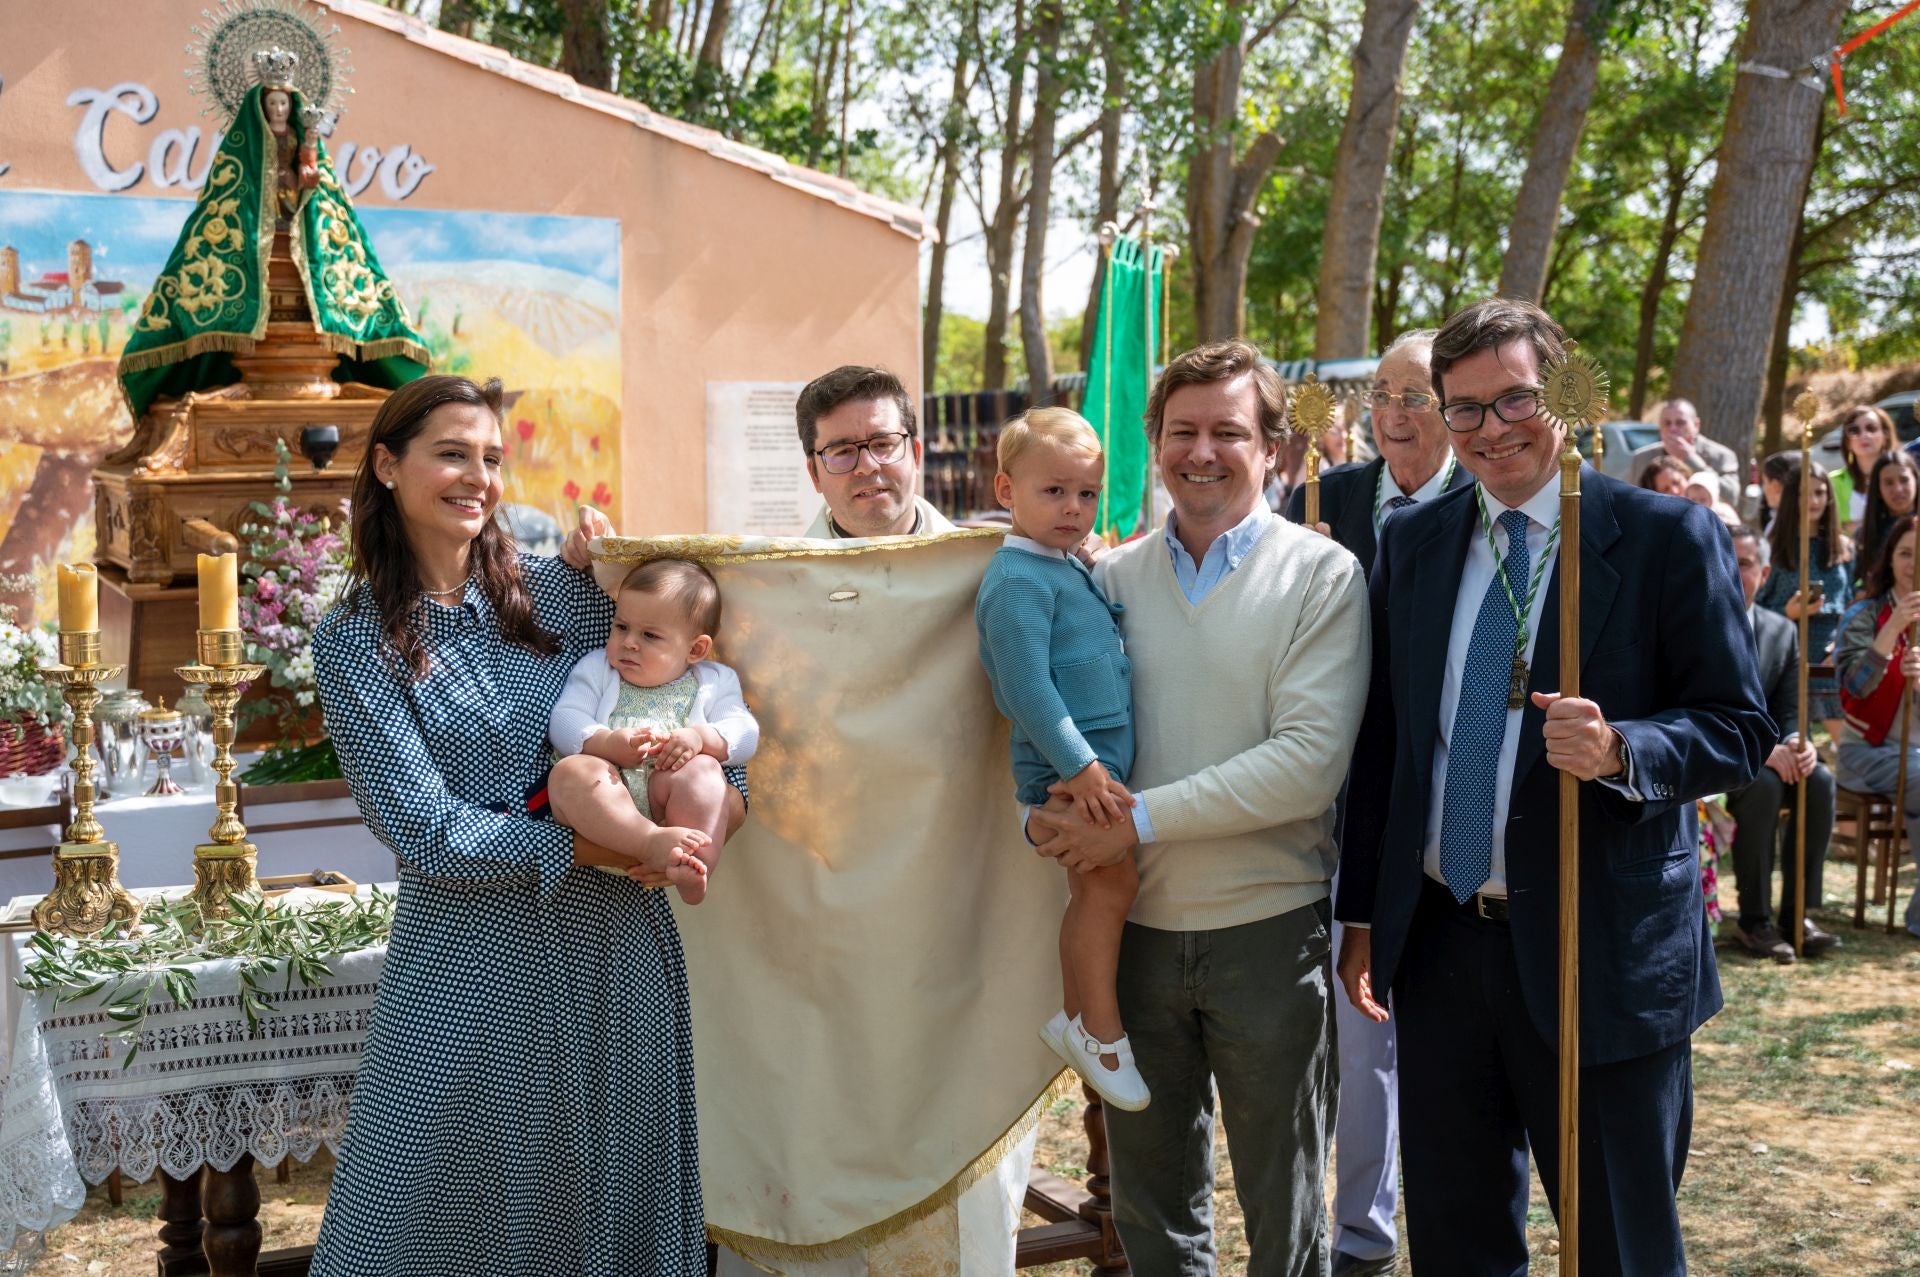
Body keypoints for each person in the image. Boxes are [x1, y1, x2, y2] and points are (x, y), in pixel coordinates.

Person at [1337, 298, 1771, 1274]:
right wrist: (1365, 911)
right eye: (1465, 410)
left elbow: (1741, 729)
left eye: (1515, 399)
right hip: (1442, 948)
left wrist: (1625, 748)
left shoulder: (1665, 539)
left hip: (1600, 951)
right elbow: (1389, 747)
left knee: (1617, 1245)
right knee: (1456, 1242)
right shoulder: (1414, 541)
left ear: (1567, 397)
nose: (1492, 430)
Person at [310, 375, 745, 1276]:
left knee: (611, 1204)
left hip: (613, 951)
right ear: (387, 466)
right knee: (424, 1221)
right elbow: (425, 828)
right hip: (471, 966)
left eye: (493, 458)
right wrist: (587, 844)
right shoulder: (354, 636)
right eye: (453, 453)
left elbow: (693, 707)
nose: (479, 477)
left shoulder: (569, 598)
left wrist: (711, 806)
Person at [1029, 339, 1369, 1272]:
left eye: (1228, 430)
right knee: (1149, 1206)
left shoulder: (1322, 578)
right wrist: (1043, 814)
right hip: (1131, 933)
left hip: (1265, 933)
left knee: (1282, 1201)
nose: (1202, 451)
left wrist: (1130, 820)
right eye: (1182, 431)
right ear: (1156, 442)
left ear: (1272, 448)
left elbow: (1305, 766)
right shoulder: (1107, 579)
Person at [1284, 327, 1466, 1277]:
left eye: (1420, 395)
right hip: (1315, 782)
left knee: (1378, 1017)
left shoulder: (1480, 506)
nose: (1396, 413)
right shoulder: (1323, 499)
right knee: (1314, 1021)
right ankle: (1312, 1216)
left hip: (1421, 792)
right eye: (1384, 394)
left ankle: (1367, 1224)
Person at [974, 407, 1147, 1111]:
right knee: (1109, 888)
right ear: (1006, 490)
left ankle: (1075, 1019)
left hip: (1093, 772)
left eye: (1086, 493)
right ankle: (1100, 1033)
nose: (1074, 508)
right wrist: (1076, 766)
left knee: (1100, 890)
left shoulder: (1061, 564)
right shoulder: (1016, 578)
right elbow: (1023, 685)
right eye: (1054, 492)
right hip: (1066, 779)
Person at [547, 558, 761, 905]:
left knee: (705, 772)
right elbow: (566, 718)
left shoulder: (714, 681)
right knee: (569, 772)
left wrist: (700, 738)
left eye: (649, 635)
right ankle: (649, 842)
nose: (629, 643)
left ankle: (693, 866)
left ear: (695, 649)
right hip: (605, 803)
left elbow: (745, 732)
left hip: (669, 798)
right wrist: (606, 744)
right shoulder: (597, 667)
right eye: (621, 627)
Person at [1721, 525, 1840, 963]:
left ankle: (1797, 914)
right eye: (1725, 559)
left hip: (1768, 753)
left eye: (1746, 563)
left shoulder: (1782, 631)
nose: (1734, 571)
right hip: (1716, 756)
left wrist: (1797, 740)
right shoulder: (1692, 621)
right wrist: (1761, 752)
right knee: (1765, 786)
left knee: (1820, 779)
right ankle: (1755, 920)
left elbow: (1790, 706)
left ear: (1765, 573)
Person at [1834, 512, 1920, 942]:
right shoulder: (1863, 615)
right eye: (1906, 553)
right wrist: (1892, 632)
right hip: (1865, 752)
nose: (1913, 563)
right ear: (1890, 559)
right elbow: (1854, 688)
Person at [1756, 465, 1851, 744]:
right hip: (1786, 655)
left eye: (1820, 492)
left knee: (1846, 747)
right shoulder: (1772, 548)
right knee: (1796, 744)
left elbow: (1851, 606)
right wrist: (1788, 612)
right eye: (1804, 493)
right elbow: (1752, 610)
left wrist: (1842, 644)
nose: (1813, 501)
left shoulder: (1842, 548)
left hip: (1831, 659)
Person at [799, 365, 949, 538]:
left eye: (882, 444)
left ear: (916, 455)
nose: (868, 466)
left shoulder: (979, 562)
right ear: (815, 475)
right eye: (843, 451)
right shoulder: (788, 566)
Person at [1627, 397, 1740, 506]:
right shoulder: (1642, 458)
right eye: (1667, 423)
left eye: (1680, 423)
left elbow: (1731, 499)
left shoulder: (1721, 456)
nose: (1673, 428)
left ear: (1696, 425)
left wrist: (1691, 459)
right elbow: (1632, 502)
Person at [1854, 450, 1919, 587]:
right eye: (1889, 483)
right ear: (1878, 489)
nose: (1898, 489)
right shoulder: (1865, 535)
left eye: (1904, 480)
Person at [1835, 404, 1896, 529]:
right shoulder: (1833, 483)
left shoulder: (1903, 478)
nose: (1864, 435)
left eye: (1871, 428)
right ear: (1847, 442)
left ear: (1885, 436)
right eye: (1854, 431)